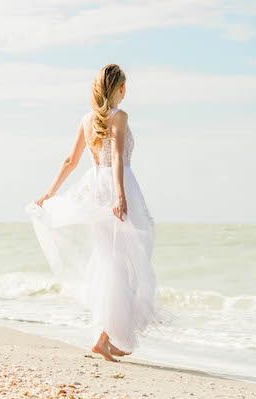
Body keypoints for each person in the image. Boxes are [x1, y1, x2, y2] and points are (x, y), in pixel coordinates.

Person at [25, 63, 169, 362]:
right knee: (127, 263)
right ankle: (107, 337)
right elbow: (116, 155)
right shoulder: (120, 116)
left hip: (94, 187)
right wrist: (120, 195)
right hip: (119, 186)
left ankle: (107, 336)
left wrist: (49, 193)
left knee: (110, 260)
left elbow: (70, 160)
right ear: (120, 89)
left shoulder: (86, 119)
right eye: (124, 87)